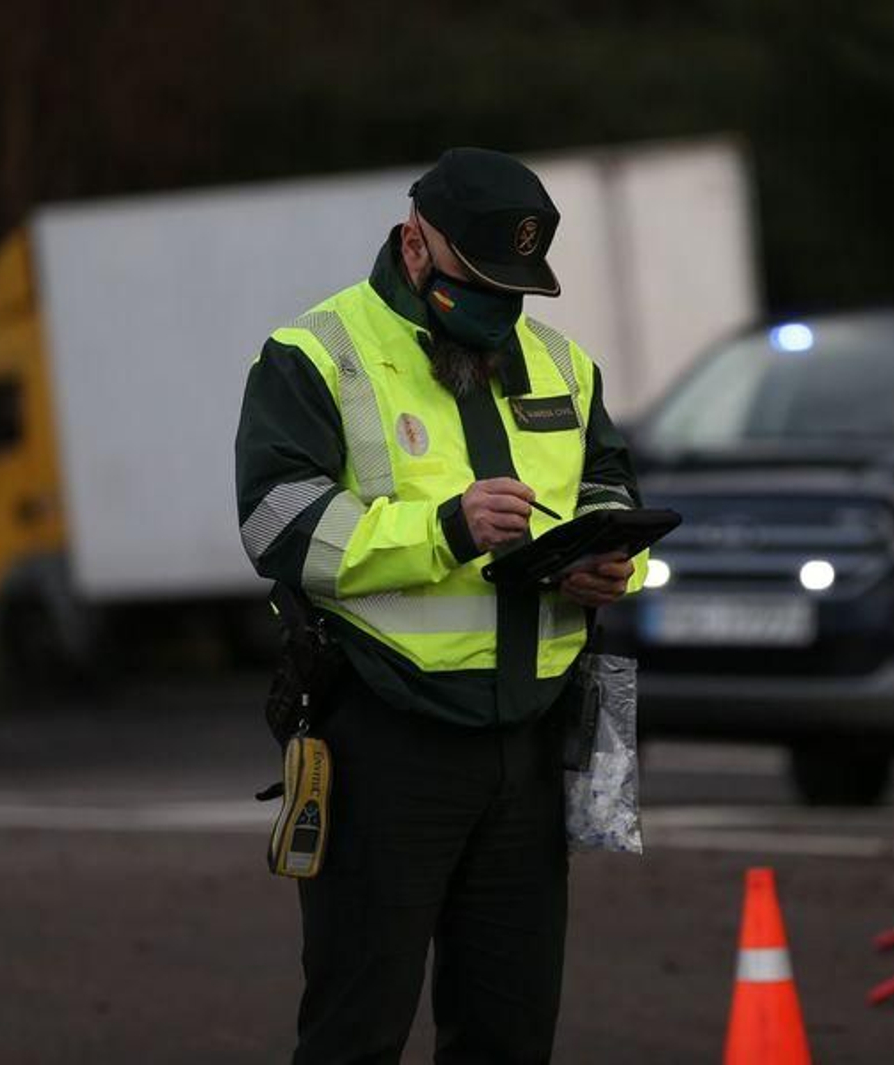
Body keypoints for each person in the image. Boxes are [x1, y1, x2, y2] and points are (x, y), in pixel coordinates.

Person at [234, 147, 646, 1063]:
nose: (499, 313)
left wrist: (603, 553)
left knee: (510, 1032)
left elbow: (607, 478)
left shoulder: (562, 364)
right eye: (479, 285)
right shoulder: (316, 353)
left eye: (517, 290)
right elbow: (279, 525)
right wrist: (445, 530)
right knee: (357, 1028)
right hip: (386, 738)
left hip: (532, 744)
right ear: (415, 245)